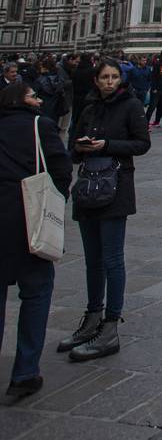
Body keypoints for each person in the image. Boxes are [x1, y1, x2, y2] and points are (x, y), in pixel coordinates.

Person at [61, 56, 150, 362]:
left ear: (120, 79)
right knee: (92, 260)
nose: (110, 81)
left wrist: (107, 145)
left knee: (112, 259)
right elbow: (72, 147)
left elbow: (142, 143)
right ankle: (91, 320)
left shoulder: (132, 106)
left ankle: (110, 327)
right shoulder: (88, 108)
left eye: (114, 77)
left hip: (115, 188)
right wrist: (81, 148)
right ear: (96, 80)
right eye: (105, 77)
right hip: (87, 188)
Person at [0, 78, 72, 401]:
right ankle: (25, 372)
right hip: (30, 222)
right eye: (34, 96)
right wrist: (54, 201)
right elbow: (61, 167)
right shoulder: (39, 126)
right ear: (24, 101)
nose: (39, 100)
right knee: (37, 293)